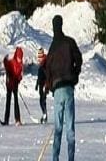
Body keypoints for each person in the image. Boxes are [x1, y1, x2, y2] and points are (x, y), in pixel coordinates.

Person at [45, 15, 82, 161]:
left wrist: (50, 85)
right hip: (68, 88)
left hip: (58, 90)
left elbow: (47, 69)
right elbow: (78, 59)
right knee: (70, 128)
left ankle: (55, 158)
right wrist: (75, 75)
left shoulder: (53, 47)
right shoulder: (69, 42)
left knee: (58, 128)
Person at [3, 46, 23, 126]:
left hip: (15, 85)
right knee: (8, 102)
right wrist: (5, 60)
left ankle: (17, 119)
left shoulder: (20, 65)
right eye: (18, 57)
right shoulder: (12, 62)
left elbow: (20, 75)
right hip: (9, 84)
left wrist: (18, 79)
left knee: (16, 101)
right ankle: (6, 120)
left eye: (20, 58)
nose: (19, 59)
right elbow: (6, 65)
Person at [35, 47, 48, 123]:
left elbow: (47, 75)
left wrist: (46, 85)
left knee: (42, 100)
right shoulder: (41, 63)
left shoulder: (45, 63)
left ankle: (44, 115)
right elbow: (39, 76)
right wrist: (37, 84)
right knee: (41, 100)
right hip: (40, 84)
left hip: (44, 85)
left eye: (40, 56)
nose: (39, 58)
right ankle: (44, 115)